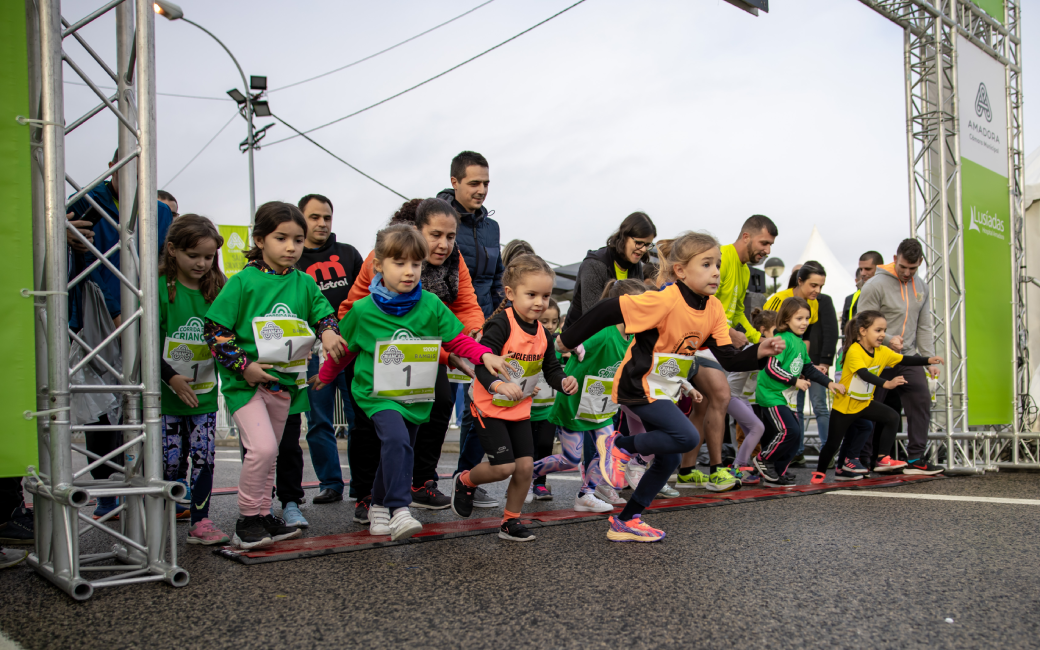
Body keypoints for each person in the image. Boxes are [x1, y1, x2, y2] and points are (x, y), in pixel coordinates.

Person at [558, 231, 786, 542]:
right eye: (706, 264)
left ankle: (627, 519)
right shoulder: (664, 299)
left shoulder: (714, 309)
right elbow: (608, 310)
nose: (716, 271)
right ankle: (619, 446)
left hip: (663, 388)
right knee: (687, 436)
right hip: (637, 383)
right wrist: (568, 339)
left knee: (670, 457)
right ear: (680, 270)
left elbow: (730, 359)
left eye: (717, 264)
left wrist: (760, 351)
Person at [320, 224, 507, 540]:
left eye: (416, 264)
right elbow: (344, 352)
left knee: (399, 447)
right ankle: (399, 509)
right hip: (376, 394)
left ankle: (378, 505)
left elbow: (457, 339)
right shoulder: (363, 311)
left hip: (415, 394)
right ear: (378, 265)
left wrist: (483, 355)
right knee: (395, 440)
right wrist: (324, 377)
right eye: (399, 263)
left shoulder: (431, 305)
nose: (409, 271)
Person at [204, 201, 342, 549]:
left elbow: (323, 315)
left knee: (274, 453)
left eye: (298, 240)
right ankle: (247, 520)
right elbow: (215, 331)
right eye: (281, 238)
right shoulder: (242, 283)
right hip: (246, 386)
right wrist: (243, 366)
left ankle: (264, 515)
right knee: (263, 450)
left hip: (287, 386)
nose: (291, 247)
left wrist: (327, 332)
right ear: (260, 239)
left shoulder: (304, 283)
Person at [66, 150, 174, 518]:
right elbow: (85, 263)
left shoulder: (160, 213)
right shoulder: (85, 202)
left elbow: (162, 262)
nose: (136, 178)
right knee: (103, 405)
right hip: (93, 315)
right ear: (112, 168)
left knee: (142, 403)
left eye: (145, 171)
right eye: (127, 169)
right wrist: (114, 312)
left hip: (145, 315)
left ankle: (141, 483)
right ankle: (108, 489)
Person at [450, 255, 578, 542]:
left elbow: (552, 368)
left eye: (545, 295)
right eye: (531, 294)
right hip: (489, 406)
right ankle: (464, 480)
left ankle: (510, 522)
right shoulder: (501, 325)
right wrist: (497, 385)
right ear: (510, 294)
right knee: (503, 467)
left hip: (518, 409)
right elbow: (481, 363)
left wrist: (564, 380)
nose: (539, 302)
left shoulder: (544, 334)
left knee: (524, 467)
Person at [677, 215, 777, 491]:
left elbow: (736, 316)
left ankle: (686, 470)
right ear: (746, 236)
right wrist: (729, 333)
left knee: (704, 407)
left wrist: (761, 339)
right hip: (702, 342)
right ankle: (716, 470)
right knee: (720, 396)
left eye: (770, 246)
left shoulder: (744, 270)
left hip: (714, 343)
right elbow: (707, 302)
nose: (767, 251)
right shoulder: (725, 257)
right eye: (764, 242)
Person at [534, 280, 651, 512]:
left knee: (608, 451)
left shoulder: (634, 337)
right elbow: (561, 345)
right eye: (641, 303)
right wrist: (576, 347)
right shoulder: (604, 332)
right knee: (570, 459)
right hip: (575, 401)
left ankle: (586, 495)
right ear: (622, 306)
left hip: (602, 405)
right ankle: (527, 473)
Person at [287, 193, 365, 509]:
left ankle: (363, 485)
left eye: (327, 217)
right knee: (318, 419)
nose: (321, 223)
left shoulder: (348, 254)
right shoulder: (292, 261)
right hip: (311, 352)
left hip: (352, 348)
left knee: (359, 416)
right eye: (315, 217)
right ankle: (331, 483)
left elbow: (367, 295)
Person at [437, 151, 504, 508]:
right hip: (441, 319)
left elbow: (495, 278)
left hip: (483, 322)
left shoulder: (491, 226)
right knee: (433, 401)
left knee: (479, 401)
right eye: (474, 183)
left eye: (486, 183)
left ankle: (465, 478)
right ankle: (419, 481)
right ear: (455, 182)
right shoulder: (437, 218)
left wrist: (497, 319)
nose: (481, 190)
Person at [157, 215, 229, 544]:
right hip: (165, 397)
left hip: (204, 396)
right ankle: (159, 519)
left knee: (204, 457)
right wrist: (171, 378)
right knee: (169, 461)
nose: (202, 263)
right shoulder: (158, 289)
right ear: (172, 250)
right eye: (193, 255)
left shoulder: (219, 290)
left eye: (209, 256)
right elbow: (145, 345)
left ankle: (201, 521)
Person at [812, 310, 943, 483]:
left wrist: (927, 360)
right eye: (878, 330)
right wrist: (886, 383)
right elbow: (864, 374)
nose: (883, 335)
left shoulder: (882, 351)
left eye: (884, 331)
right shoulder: (853, 351)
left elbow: (903, 359)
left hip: (864, 403)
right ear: (863, 331)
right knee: (833, 444)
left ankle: (882, 458)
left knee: (891, 417)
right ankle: (820, 472)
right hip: (846, 406)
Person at [856, 238, 943, 475]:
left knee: (921, 399)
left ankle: (915, 459)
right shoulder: (874, 285)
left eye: (912, 268)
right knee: (872, 407)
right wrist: (886, 338)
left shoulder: (922, 287)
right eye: (903, 266)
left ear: (920, 264)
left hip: (907, 356)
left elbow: (924, 325)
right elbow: (861, 321)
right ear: (895, 259)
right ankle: (864, 460)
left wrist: (928, 358)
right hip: (878, 356)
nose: (906, 272)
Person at [752, 297, 845, 485]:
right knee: (790, 431)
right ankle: (764, 460)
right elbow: (771, 367)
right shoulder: (781, 340)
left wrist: (829, 383)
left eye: (807, 318)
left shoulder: (800, 344)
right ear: (786, 320)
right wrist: (795, 381)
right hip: (771, 394)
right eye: (799, 318)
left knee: (795, 438)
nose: (804, 323)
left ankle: (776, 472)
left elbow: (808, 368)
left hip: (785, 397)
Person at [563, 212, 657, 329]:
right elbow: (593, 316)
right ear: (624, 237)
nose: (643, 249)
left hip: (617, 337)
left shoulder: (636, 266)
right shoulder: (594, 265)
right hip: (581, 340)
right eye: (638, 243)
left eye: (648, 245)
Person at [726, 308, 779, 482]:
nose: (780, 336)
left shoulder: (765, 350)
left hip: (743, 397)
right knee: (758, 428)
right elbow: (772, 370)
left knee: (754, 430)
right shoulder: (753, 349)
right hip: (731, 395)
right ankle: (737, 468)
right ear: (763, 331)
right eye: (776, 331)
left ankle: (745, 467)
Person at [794, 288, 838, 463]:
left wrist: (825, 362)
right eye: (812, 284)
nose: (816, 289)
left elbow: (831, 331)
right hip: (797, 365)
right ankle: (797, 452)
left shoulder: (823, 301)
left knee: (820, 406)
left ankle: (827, 452)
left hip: (817, 363)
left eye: (819, 285)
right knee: (796, 410)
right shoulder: (792, 302)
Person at [529, 297, 562, 501]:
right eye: (545, 321)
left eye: (555, 321)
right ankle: (520, 482)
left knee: (544, 446)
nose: (550, 326)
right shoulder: (527, 341)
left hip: (549, 408)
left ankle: (540, 483)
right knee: (526, 450)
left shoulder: (560, 344)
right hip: (525, 408)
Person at [842, 251, 884, 333]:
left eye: (868, 269)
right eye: (861, 269)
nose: (863, 273)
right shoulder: (855, 294)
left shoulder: (890, 288)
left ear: (880, 268)